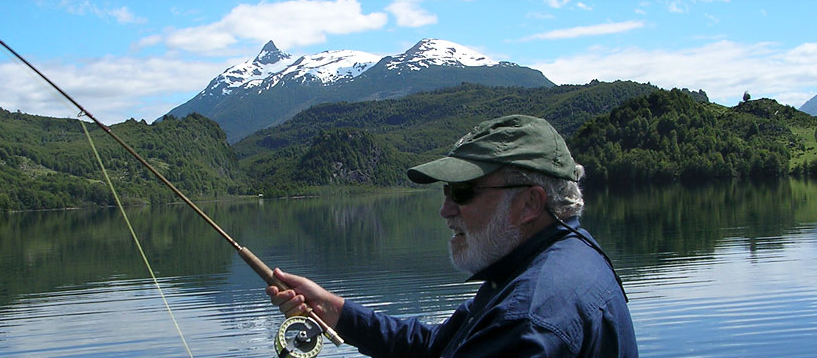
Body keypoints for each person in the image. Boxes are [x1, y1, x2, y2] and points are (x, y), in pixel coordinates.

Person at [266, 115, 638, 357]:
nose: (445, 210)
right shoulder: (560, 256)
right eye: (446, 191)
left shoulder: (525, 320)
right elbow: (440, 346)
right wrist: (336, 312)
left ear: (529, 203)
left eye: (462, 192)